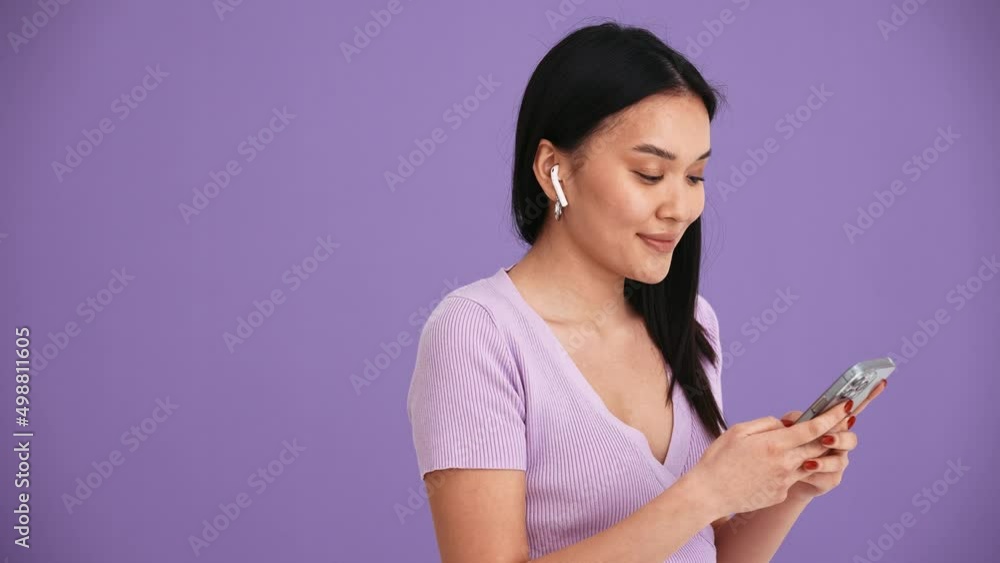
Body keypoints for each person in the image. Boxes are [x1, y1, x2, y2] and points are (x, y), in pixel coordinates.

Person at [405, 21, 887, 563]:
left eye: (695, 177)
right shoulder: (477, 333)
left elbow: (702, 553)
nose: (679, 208)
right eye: (650, 173)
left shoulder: (691, 322)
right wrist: (708, 490)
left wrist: (787, 490)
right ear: (552, 170)